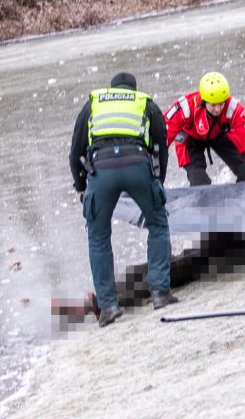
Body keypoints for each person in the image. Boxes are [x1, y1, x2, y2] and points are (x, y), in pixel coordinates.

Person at [69, 72, 177, 327]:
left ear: (112, 88)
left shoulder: (94, 104)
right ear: (133, 89)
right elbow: (161, 145)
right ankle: (160, 292)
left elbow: (75, 152)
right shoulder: (144, 103)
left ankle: (108, 306)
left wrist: (82, 187)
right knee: (158, 223)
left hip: (101, 171)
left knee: (98, 237)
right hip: (138, 165)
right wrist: (157, 185)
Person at [164, 71, 245, 185]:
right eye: (213, 105)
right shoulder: (185, 107)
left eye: (221, 104)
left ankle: (239, 200)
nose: (218, 109)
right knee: (200, 182)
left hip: (219, 134)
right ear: (204, 101)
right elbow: (163, 134)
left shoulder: (233, 108)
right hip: (190, 138)